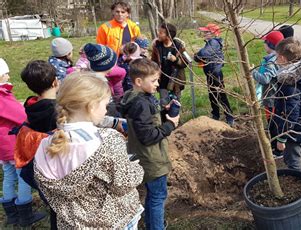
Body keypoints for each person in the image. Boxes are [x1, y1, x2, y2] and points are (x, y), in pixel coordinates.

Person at [16, 60, 126, 229]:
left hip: (46, 169)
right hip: (69, 168)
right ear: (55, 82)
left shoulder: (31, 105)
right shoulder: (56, 112)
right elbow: (82, 118)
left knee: (57, 208)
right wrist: (114, 123)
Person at [33, 73, 144, 229]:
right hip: (112, 222)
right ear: (91, 106)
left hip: (71, 225)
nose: (106, 111)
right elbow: (123, 184)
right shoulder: (108, 141)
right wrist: (136, 168)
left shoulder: (45, 146)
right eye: (105, 105)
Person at [121, 58, 179, 230]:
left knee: (152, 193)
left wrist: (163, 113)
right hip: (151, 158)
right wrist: (170, 125)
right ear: (139, 81)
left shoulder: (134, 98)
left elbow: (145, 122)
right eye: (153, 80)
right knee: (158, 196)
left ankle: (152, 223)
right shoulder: (141, 103)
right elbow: (148, 135)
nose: (157, 84)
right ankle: (156, 227)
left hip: (141, 154)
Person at [0, 58, 47, 227]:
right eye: (5, 73)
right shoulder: (2, 96)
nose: (8, 75)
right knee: (23, 176)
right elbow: (20, 115)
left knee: (9, 175)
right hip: (11, 143)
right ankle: (25, 210)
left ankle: (11, 212)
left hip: (2, 146)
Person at [271, 37, 301, 172]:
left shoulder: (289, 84)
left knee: (293, 160)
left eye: (276, 57)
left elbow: (290, 114)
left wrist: (282, 138)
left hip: (293, 130)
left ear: (282, 58)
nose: (275, 60)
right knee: (293, 155)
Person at [252, 30, 284, 159]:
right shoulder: (278, 58)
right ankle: (275, 145)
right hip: (273, 96)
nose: (263, 45)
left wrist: (252, 71)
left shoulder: (272, 62)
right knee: (273, 121)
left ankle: (277, 151)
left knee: (273, 123)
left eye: (265, 42)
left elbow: (265, 79)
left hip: (272, 97)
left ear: (270, 45)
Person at [195, 23, 234, 126]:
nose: (204, 33)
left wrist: (197, 56)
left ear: (213, 33)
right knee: (212, 95)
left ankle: (230, 116)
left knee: (220, 95)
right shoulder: (210, 43)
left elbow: (203, 54)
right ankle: (215, 114)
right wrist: (198, 56)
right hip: (210, 73)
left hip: (215, 73)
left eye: (206, 32)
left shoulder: (214, 42)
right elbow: (202, 54)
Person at [151, 23, 188, 101]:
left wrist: (176, 60)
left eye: (161, 33)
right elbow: (153, 62)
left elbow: (185, 63)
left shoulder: (178, 46)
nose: (158, 34)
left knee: (175, 105)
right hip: (162, 82)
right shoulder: (157, 47)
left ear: (168, 36)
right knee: (164, 105)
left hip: (175, 82)